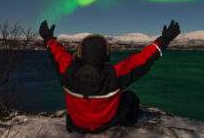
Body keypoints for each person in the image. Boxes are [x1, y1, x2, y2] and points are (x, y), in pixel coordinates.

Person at [39, 20, 180, 134]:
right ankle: (127, 123)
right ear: (106, 54)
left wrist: (48, 38)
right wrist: (164, 40)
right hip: (105, 125)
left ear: (81, 52)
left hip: (77, 125)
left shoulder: (67, 70)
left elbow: (57, 53)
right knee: (130, 97)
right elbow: (142, 60)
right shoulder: (115, 75)